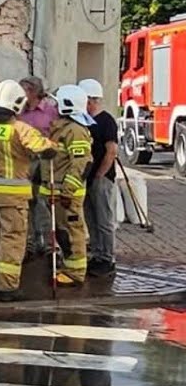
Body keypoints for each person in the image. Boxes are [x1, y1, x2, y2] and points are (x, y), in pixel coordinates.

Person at [0, 80, 58, 301]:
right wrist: (54, 147)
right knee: (12, 239)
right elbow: (45, 148)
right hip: (13, 196)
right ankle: (7, 287)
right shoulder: (19, 129)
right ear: (16, 103)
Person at [43, 85, 95, 286]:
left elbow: (81, 164)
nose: (54, 106)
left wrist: (67, 191)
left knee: (73, 233)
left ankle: (75, 273)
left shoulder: (75, 131)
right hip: (58, 193)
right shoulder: (63, 128)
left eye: (57, 103)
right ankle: (68, 266)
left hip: (68, 196)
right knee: (63, 233)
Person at [79, 78, 118, 277]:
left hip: (101, 179)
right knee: (91, 218)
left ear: (91, 100)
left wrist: (100, 175)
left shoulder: (106, 121)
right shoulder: (84, 121)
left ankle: (107, 258)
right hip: (88, 178)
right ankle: (96, 254)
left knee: (104, 220)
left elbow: (111, 151)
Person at [18, 77, 59, 257]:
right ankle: (31, 243)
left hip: (45, 161)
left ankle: (51, 244)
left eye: (24, 90)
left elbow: (57, 135)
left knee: (44, 202)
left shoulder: (51, 111)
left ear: (34, 92)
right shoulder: (19, 113)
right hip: (25, 161)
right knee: (27, 201)